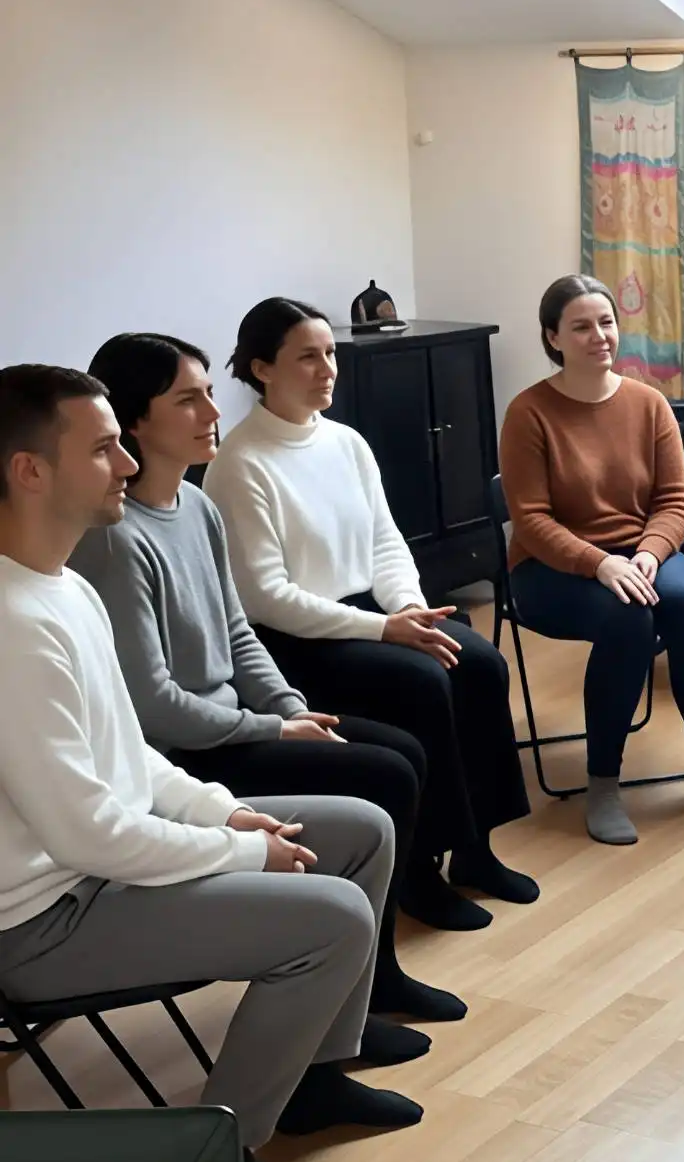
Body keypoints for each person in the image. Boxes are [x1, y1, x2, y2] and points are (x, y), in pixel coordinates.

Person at [0, 365, 423, 1162]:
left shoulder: (66, 589)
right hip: (47, 920)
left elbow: (132, 756)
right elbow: (86, 831)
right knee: (332, 918)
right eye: (103, 448)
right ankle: (213, 1159)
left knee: (362, 829)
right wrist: (237, 853)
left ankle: (309, 1077)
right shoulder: (13, 626)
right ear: (29, 470)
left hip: (101, 871)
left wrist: (224, 813)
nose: (126, 465)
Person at [71, 333, 464, 1023]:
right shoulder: (116, 537)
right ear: (135, 420)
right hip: (189, 751)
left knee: (400, 750)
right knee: (386, 774)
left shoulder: (197, 506)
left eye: (208, 395)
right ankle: (361, 984)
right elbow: (155, 706)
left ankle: (374, 973)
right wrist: (273, 726)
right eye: (187, 399)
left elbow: (237, 633)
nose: (210, 412)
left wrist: (293, 709)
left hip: (238, 724)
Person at [203, 298, 536, 933]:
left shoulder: (346, 441)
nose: (327, 368)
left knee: (481, 664)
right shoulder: (239, 464)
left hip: (375, 615)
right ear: (261, 368)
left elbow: (387, 541)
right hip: (299, 637)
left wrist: (410, 608)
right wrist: (385, 628)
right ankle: (417, 871)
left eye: (329, 353)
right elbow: (268, 596)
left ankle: (476, 849)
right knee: (420, 681)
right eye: (308, 356)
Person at [500, 275, 684, 846]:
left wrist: (647, 552)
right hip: (551, 567)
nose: (599, 336)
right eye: (581, 326)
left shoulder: (648, 404)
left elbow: (674, 500)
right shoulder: (529, 412)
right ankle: (603, 783)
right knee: (628, 619)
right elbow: (532, 520)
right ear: (553, 337)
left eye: (606, 322)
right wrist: (598, 563)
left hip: (638, 551)